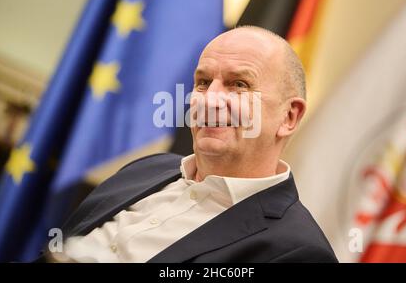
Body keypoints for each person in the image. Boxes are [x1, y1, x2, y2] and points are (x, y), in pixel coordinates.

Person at [46, 26, 337, 263]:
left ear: (288, 117)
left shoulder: (299, 252)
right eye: (203, 82)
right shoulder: (145, 169)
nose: (209, 100)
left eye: (239, 84)